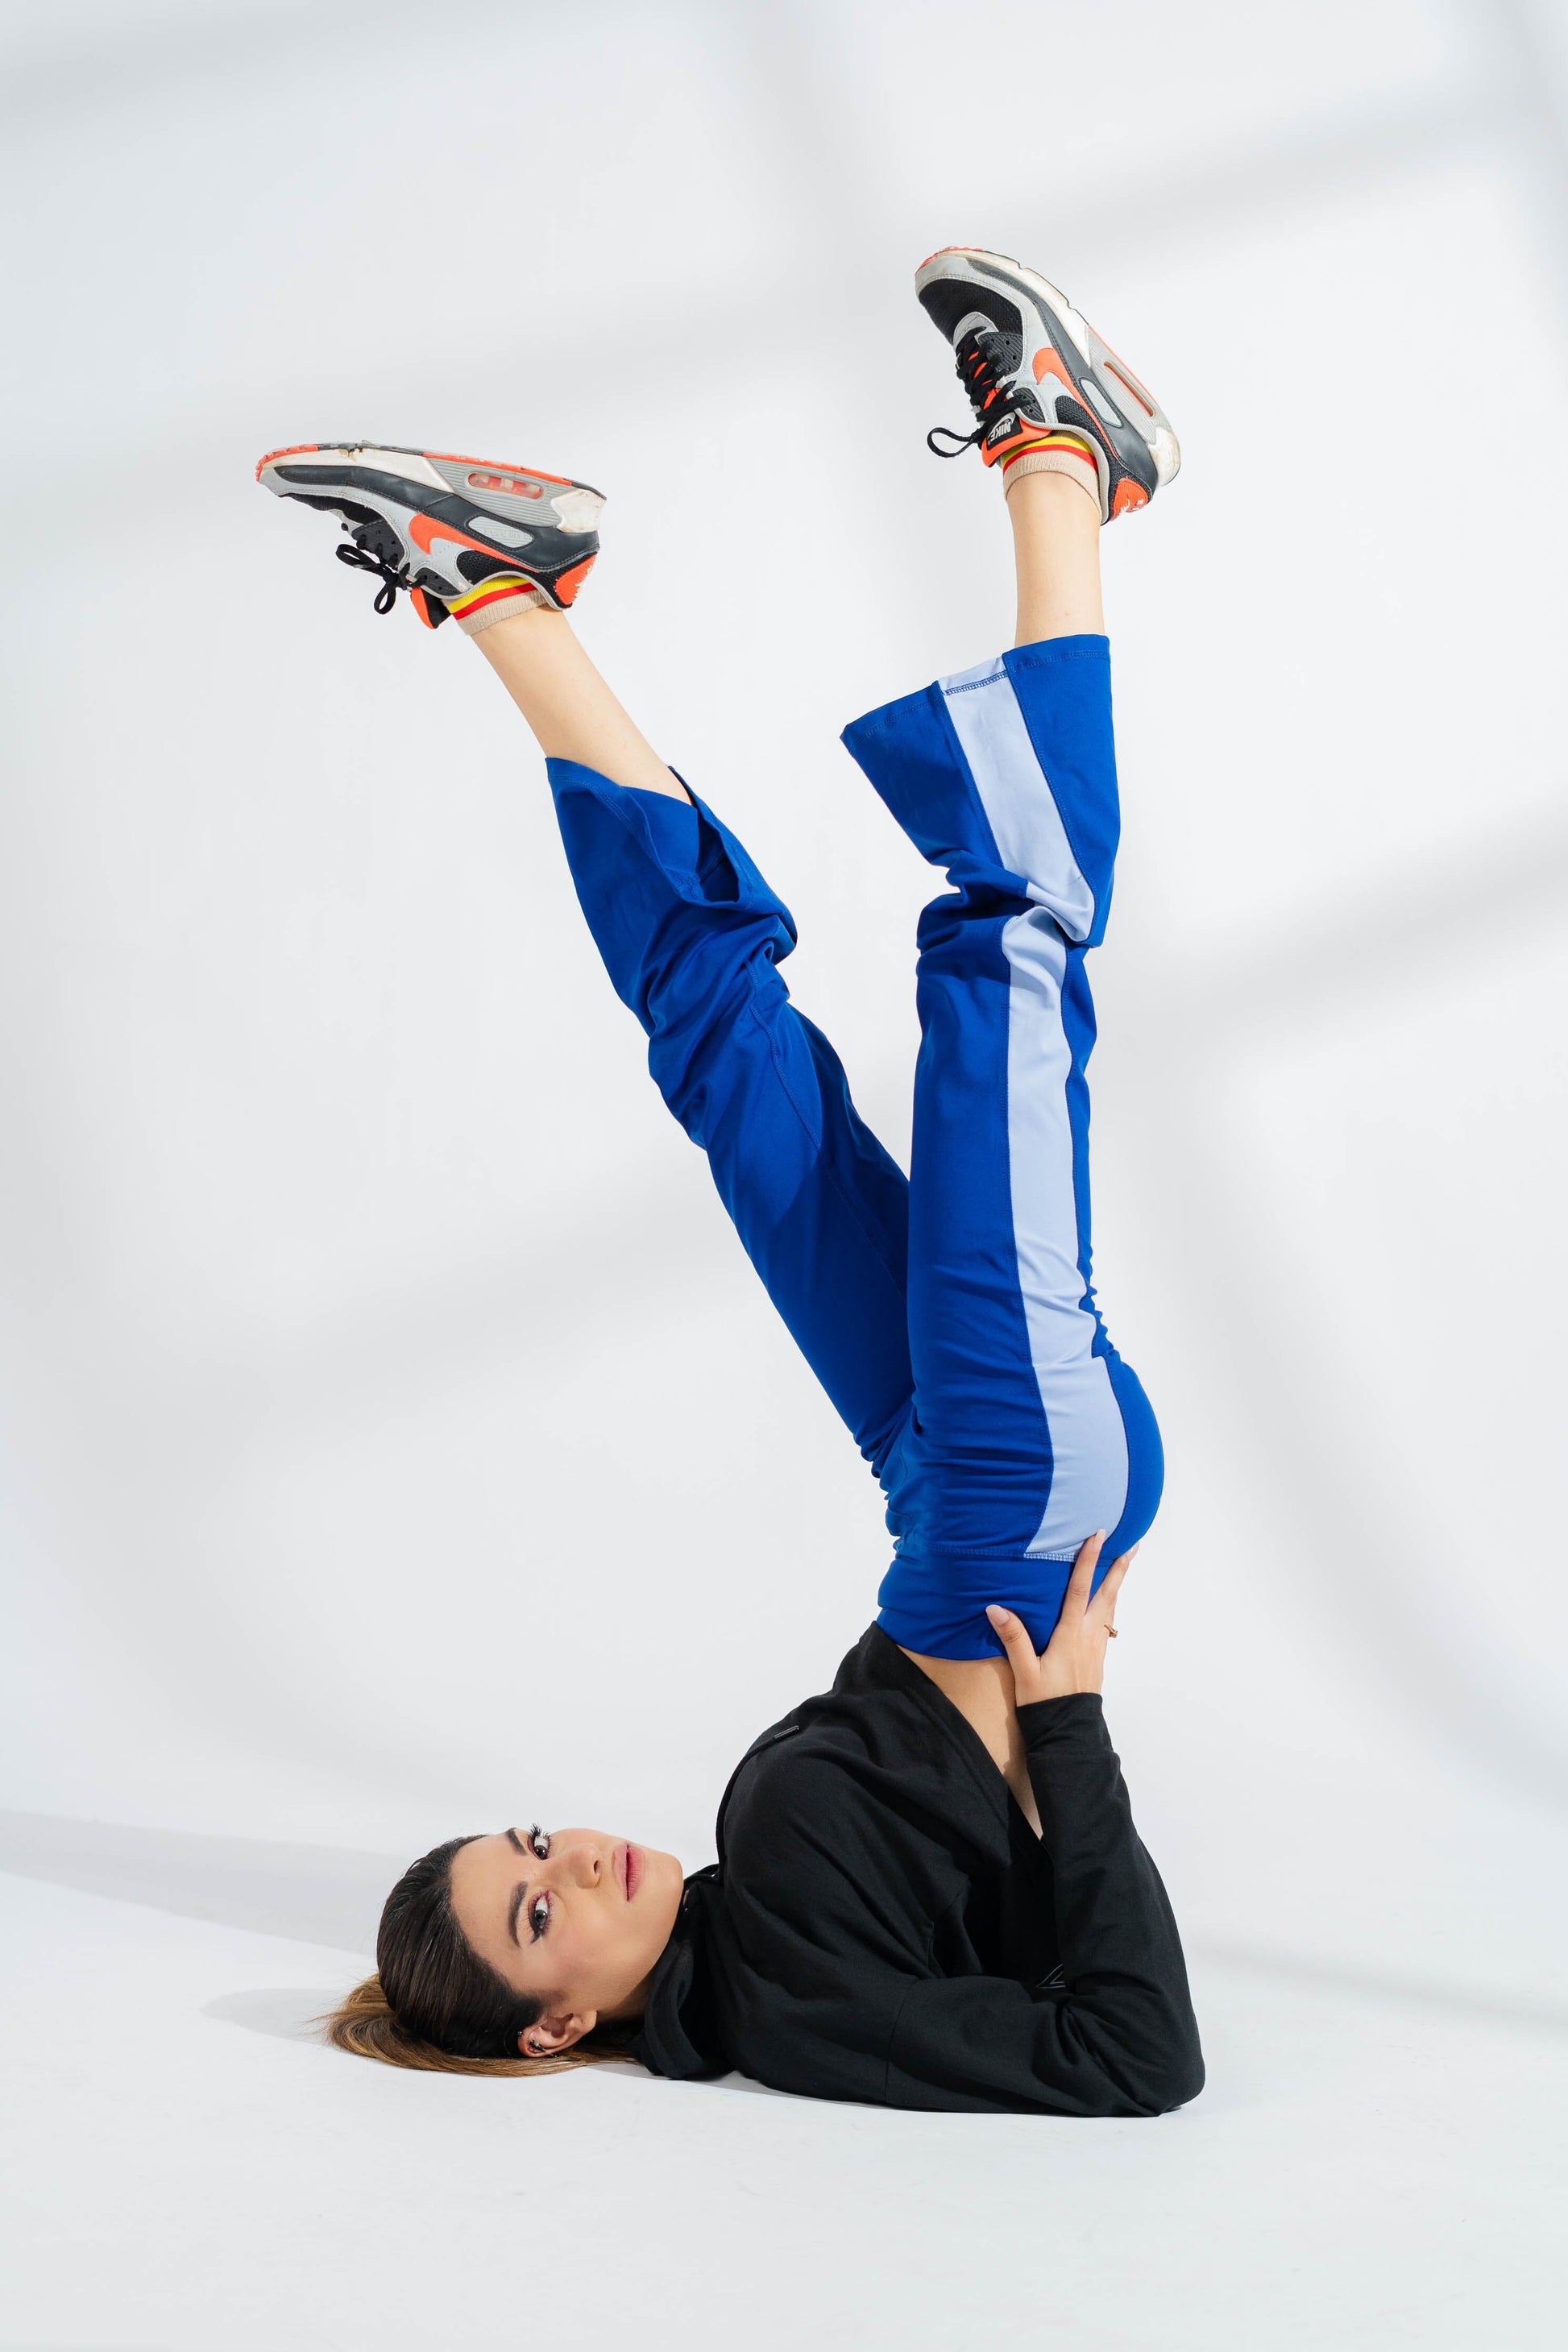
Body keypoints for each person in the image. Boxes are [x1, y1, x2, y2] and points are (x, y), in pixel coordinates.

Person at [259, 247, 1203, 2115]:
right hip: (1018, 1521)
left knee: (725, 1059)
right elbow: (1132, 2054)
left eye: (527, 1841)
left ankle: (505, 592)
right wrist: (1074, 1725)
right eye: (538, 1911)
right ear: (554, 2026)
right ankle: (1065, 469)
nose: (573, 1859)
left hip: (939, 1484)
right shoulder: (787, 2010)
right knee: (1005, 951)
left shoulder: (730, 1904)